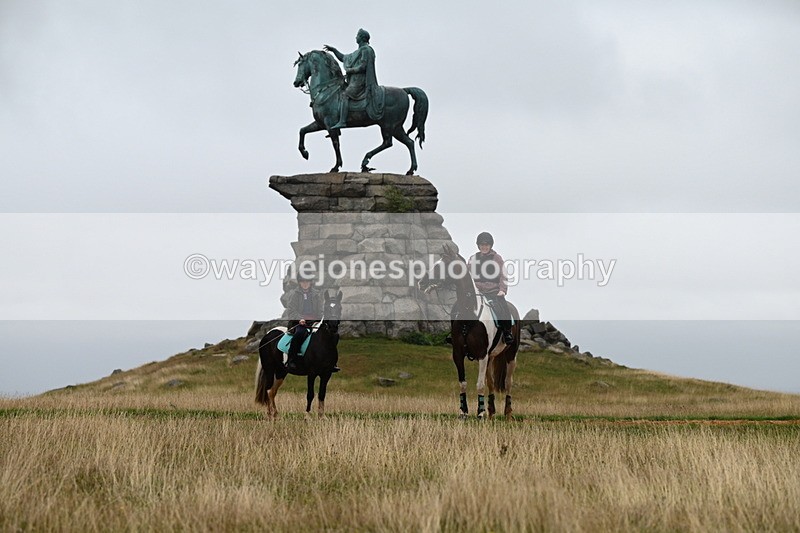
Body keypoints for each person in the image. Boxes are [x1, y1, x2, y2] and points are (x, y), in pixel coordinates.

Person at [324, 28, 384, 130]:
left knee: (344, 95)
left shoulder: (367, 50)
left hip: (360, 81)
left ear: (361, 38)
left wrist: (351, 70)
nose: (356, 37)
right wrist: (334, 50)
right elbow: (344, 58)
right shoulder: (358, 52)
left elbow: (363, 66)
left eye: (357, 35)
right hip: (354, 81)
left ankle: (342, 121)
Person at [467, 232, 515, 345]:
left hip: (493, 292)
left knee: (502, 308)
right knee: (461, 307)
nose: (484, 247)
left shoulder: (496, 258)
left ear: (490, 246)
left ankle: (507, 332)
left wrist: (502, 290)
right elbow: (467, 274)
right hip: (477, 292)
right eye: (482, 245)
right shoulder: (473, 258)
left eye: (486, 245)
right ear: (478, 246)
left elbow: (504, 275)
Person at [285, 274, 339, 372]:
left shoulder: (316, 294)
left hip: (314, 321)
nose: (305, 284)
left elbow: (320, 309)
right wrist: (299, 319)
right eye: (303, 282)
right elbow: (291, 311)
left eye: (307, 281)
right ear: (299, 283)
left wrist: (322, 317)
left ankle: (332, 362)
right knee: (299, 334)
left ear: (310, 283)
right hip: (299, 322)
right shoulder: (294, 294)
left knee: (333, 335)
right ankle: (291, 360)